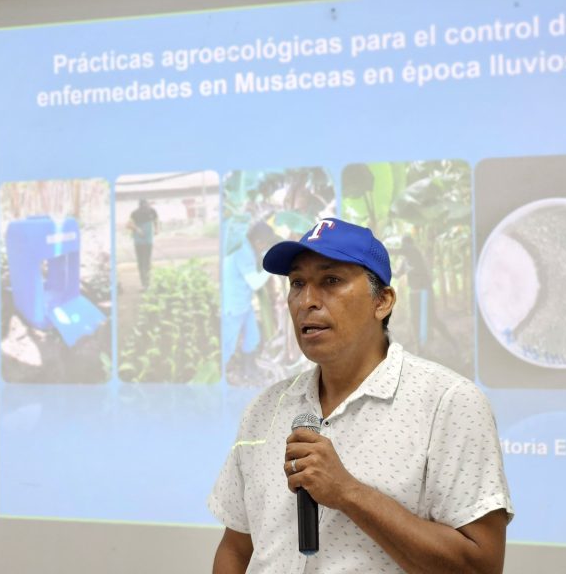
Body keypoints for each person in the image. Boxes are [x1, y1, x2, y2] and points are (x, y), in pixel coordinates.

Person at [208, 217, 513, 573]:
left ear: (382, 301)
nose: (307, 301)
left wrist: (348, 493)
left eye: (331, 281)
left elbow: (481, 566)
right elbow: (235, 548)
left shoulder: (449, 403)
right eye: (297, 283)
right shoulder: (266, 408)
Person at [221, 220, 278, 382]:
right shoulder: (242, 251)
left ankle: (249, 370)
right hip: (234, 304)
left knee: (252, 337)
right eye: (264, 245)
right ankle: (223, 380)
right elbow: (255, 283)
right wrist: (271, 265)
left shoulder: (244, 244)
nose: (262, 249)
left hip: (243, 303)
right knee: (228, 344)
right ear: (258, 241)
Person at [126, 199, 159, 289]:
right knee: (141, 262)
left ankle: (147, 283)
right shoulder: (135, 213)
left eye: (147, 206)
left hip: (148, 241)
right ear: (140, 207)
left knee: (147, 261)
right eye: (144, 207)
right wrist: (137, 229)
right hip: (138, 242)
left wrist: (156, 229)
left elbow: (155, 220)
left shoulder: (152, 211)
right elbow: (128, 225)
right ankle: (144, 284)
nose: (146, 209)